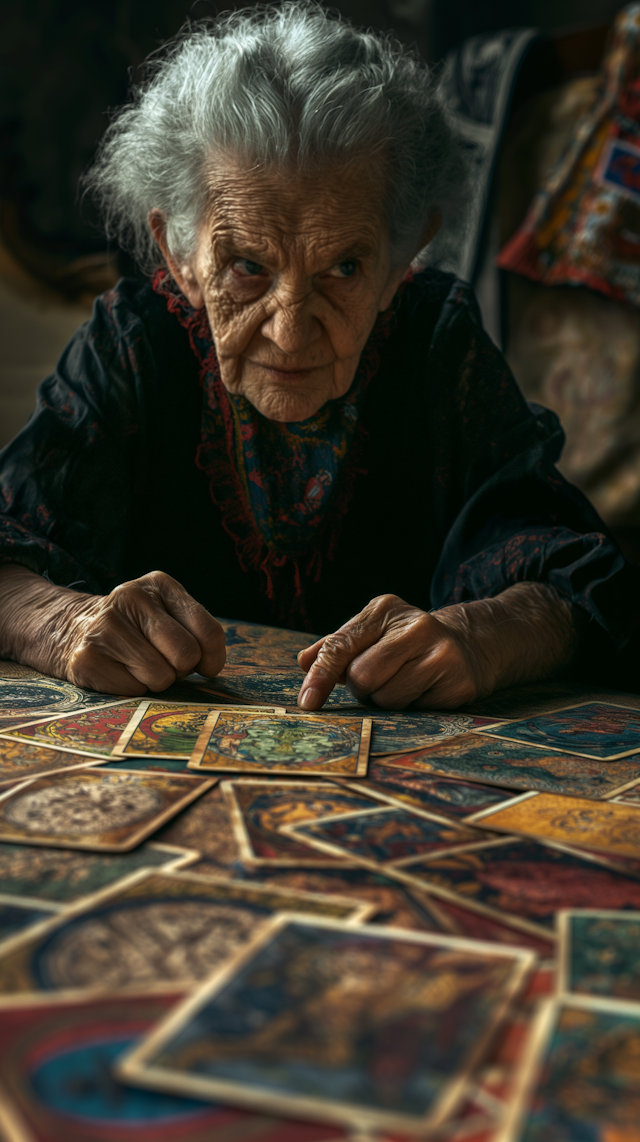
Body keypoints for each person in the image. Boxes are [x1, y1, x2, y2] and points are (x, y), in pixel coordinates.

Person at [0, 1, 636, 711]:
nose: (292, 332)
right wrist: (59, 622)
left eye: (343, 269)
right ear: (179, 254)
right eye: (246, 265)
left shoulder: (434, 337)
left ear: (402, 259)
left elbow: (578, 574)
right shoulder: (133, 341)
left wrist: (493, 633)